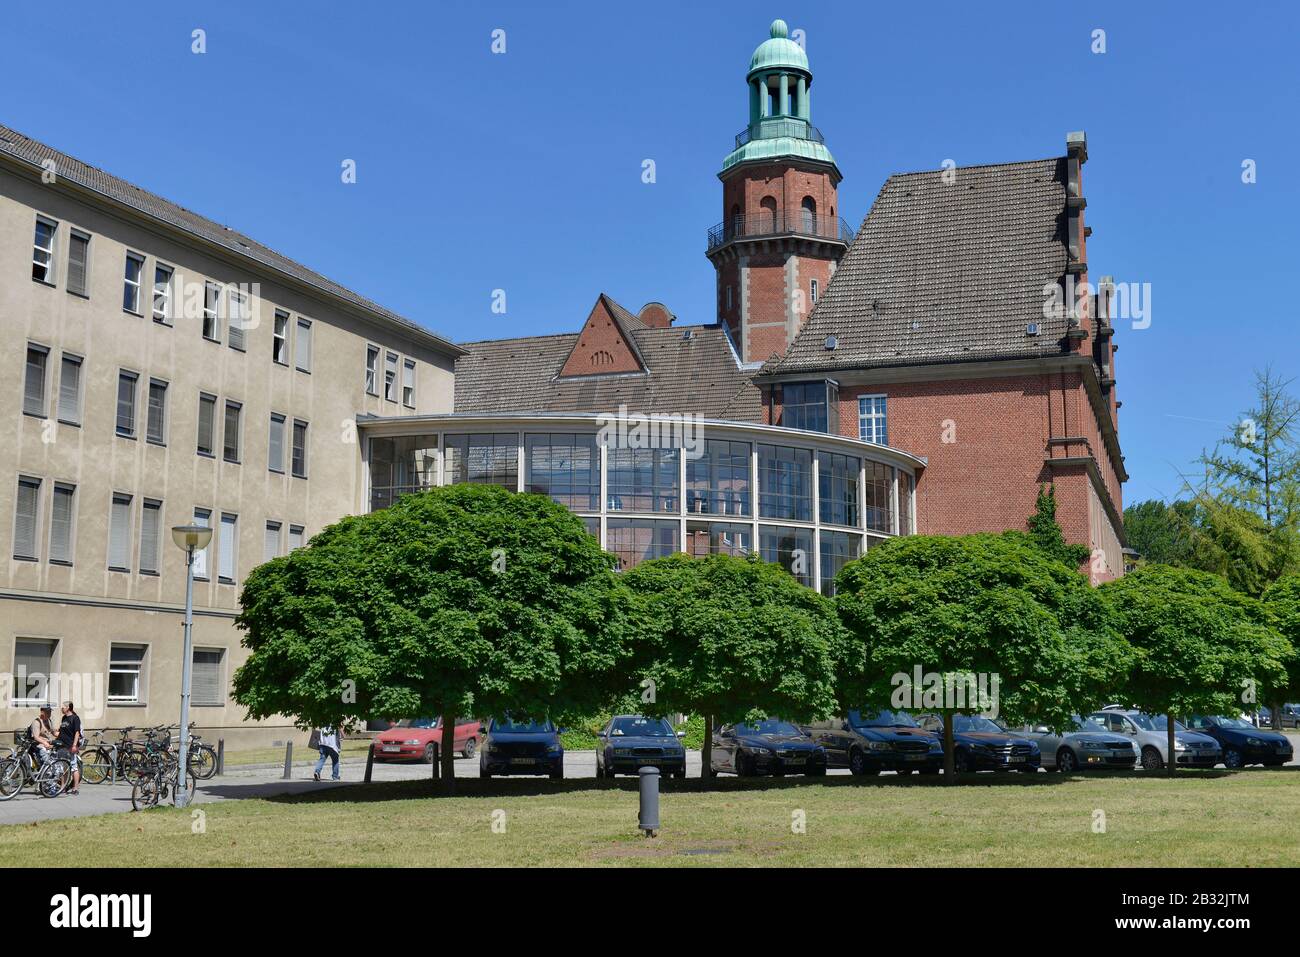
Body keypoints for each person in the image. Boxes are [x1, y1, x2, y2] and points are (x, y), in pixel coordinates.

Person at [55, 701, 82, 794]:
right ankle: (63, 786)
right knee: (63, 767)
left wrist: (74, 745)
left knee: (73, 767)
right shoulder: (64, 718)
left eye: (63, 707)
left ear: (68, 708)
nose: (61, 708)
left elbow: (77, 732)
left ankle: (75, 788)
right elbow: (61, 732)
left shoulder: (75, 718)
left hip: (71, 746)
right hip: (62, 745)